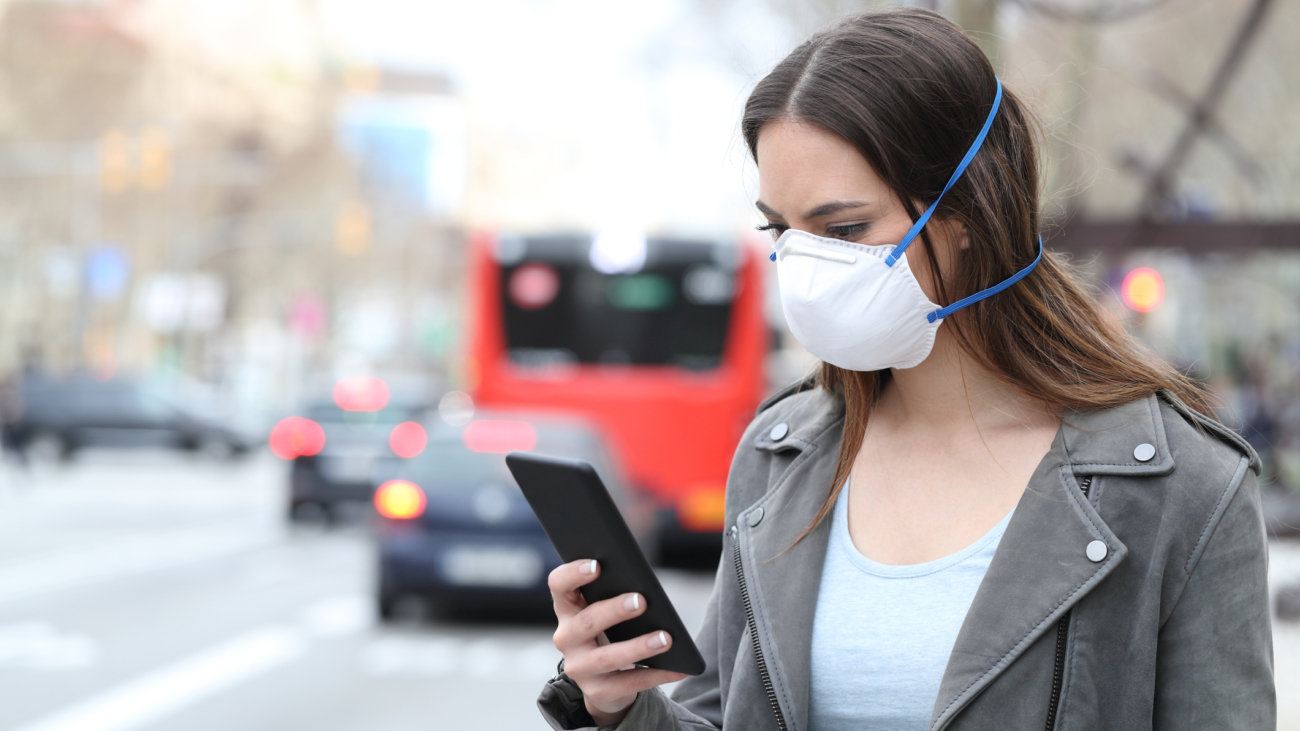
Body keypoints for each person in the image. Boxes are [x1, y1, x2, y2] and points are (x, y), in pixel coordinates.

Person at [539, 7, 1274, 730]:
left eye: (844, 228)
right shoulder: (779, 454)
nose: (805, 266)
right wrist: (617, 706)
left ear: (966, 217)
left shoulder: (1185, 488)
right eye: (780, 229)